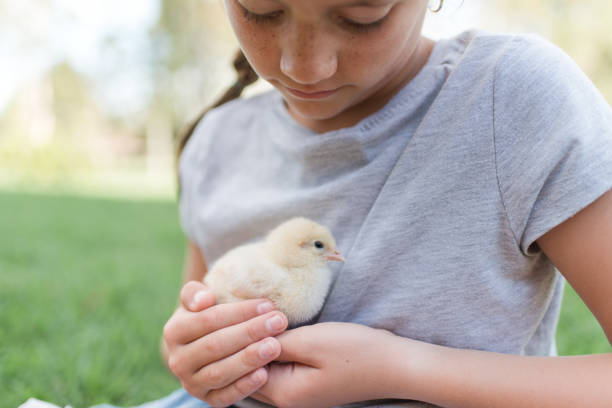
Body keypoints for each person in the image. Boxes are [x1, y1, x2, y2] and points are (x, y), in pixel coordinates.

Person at [160, 0, 612, 407]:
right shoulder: (216, 142)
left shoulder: (516, 96)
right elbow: (196, 319)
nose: (305, 66)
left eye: (362, 15)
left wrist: (404, 371)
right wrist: (192, 352)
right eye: (260, 10)